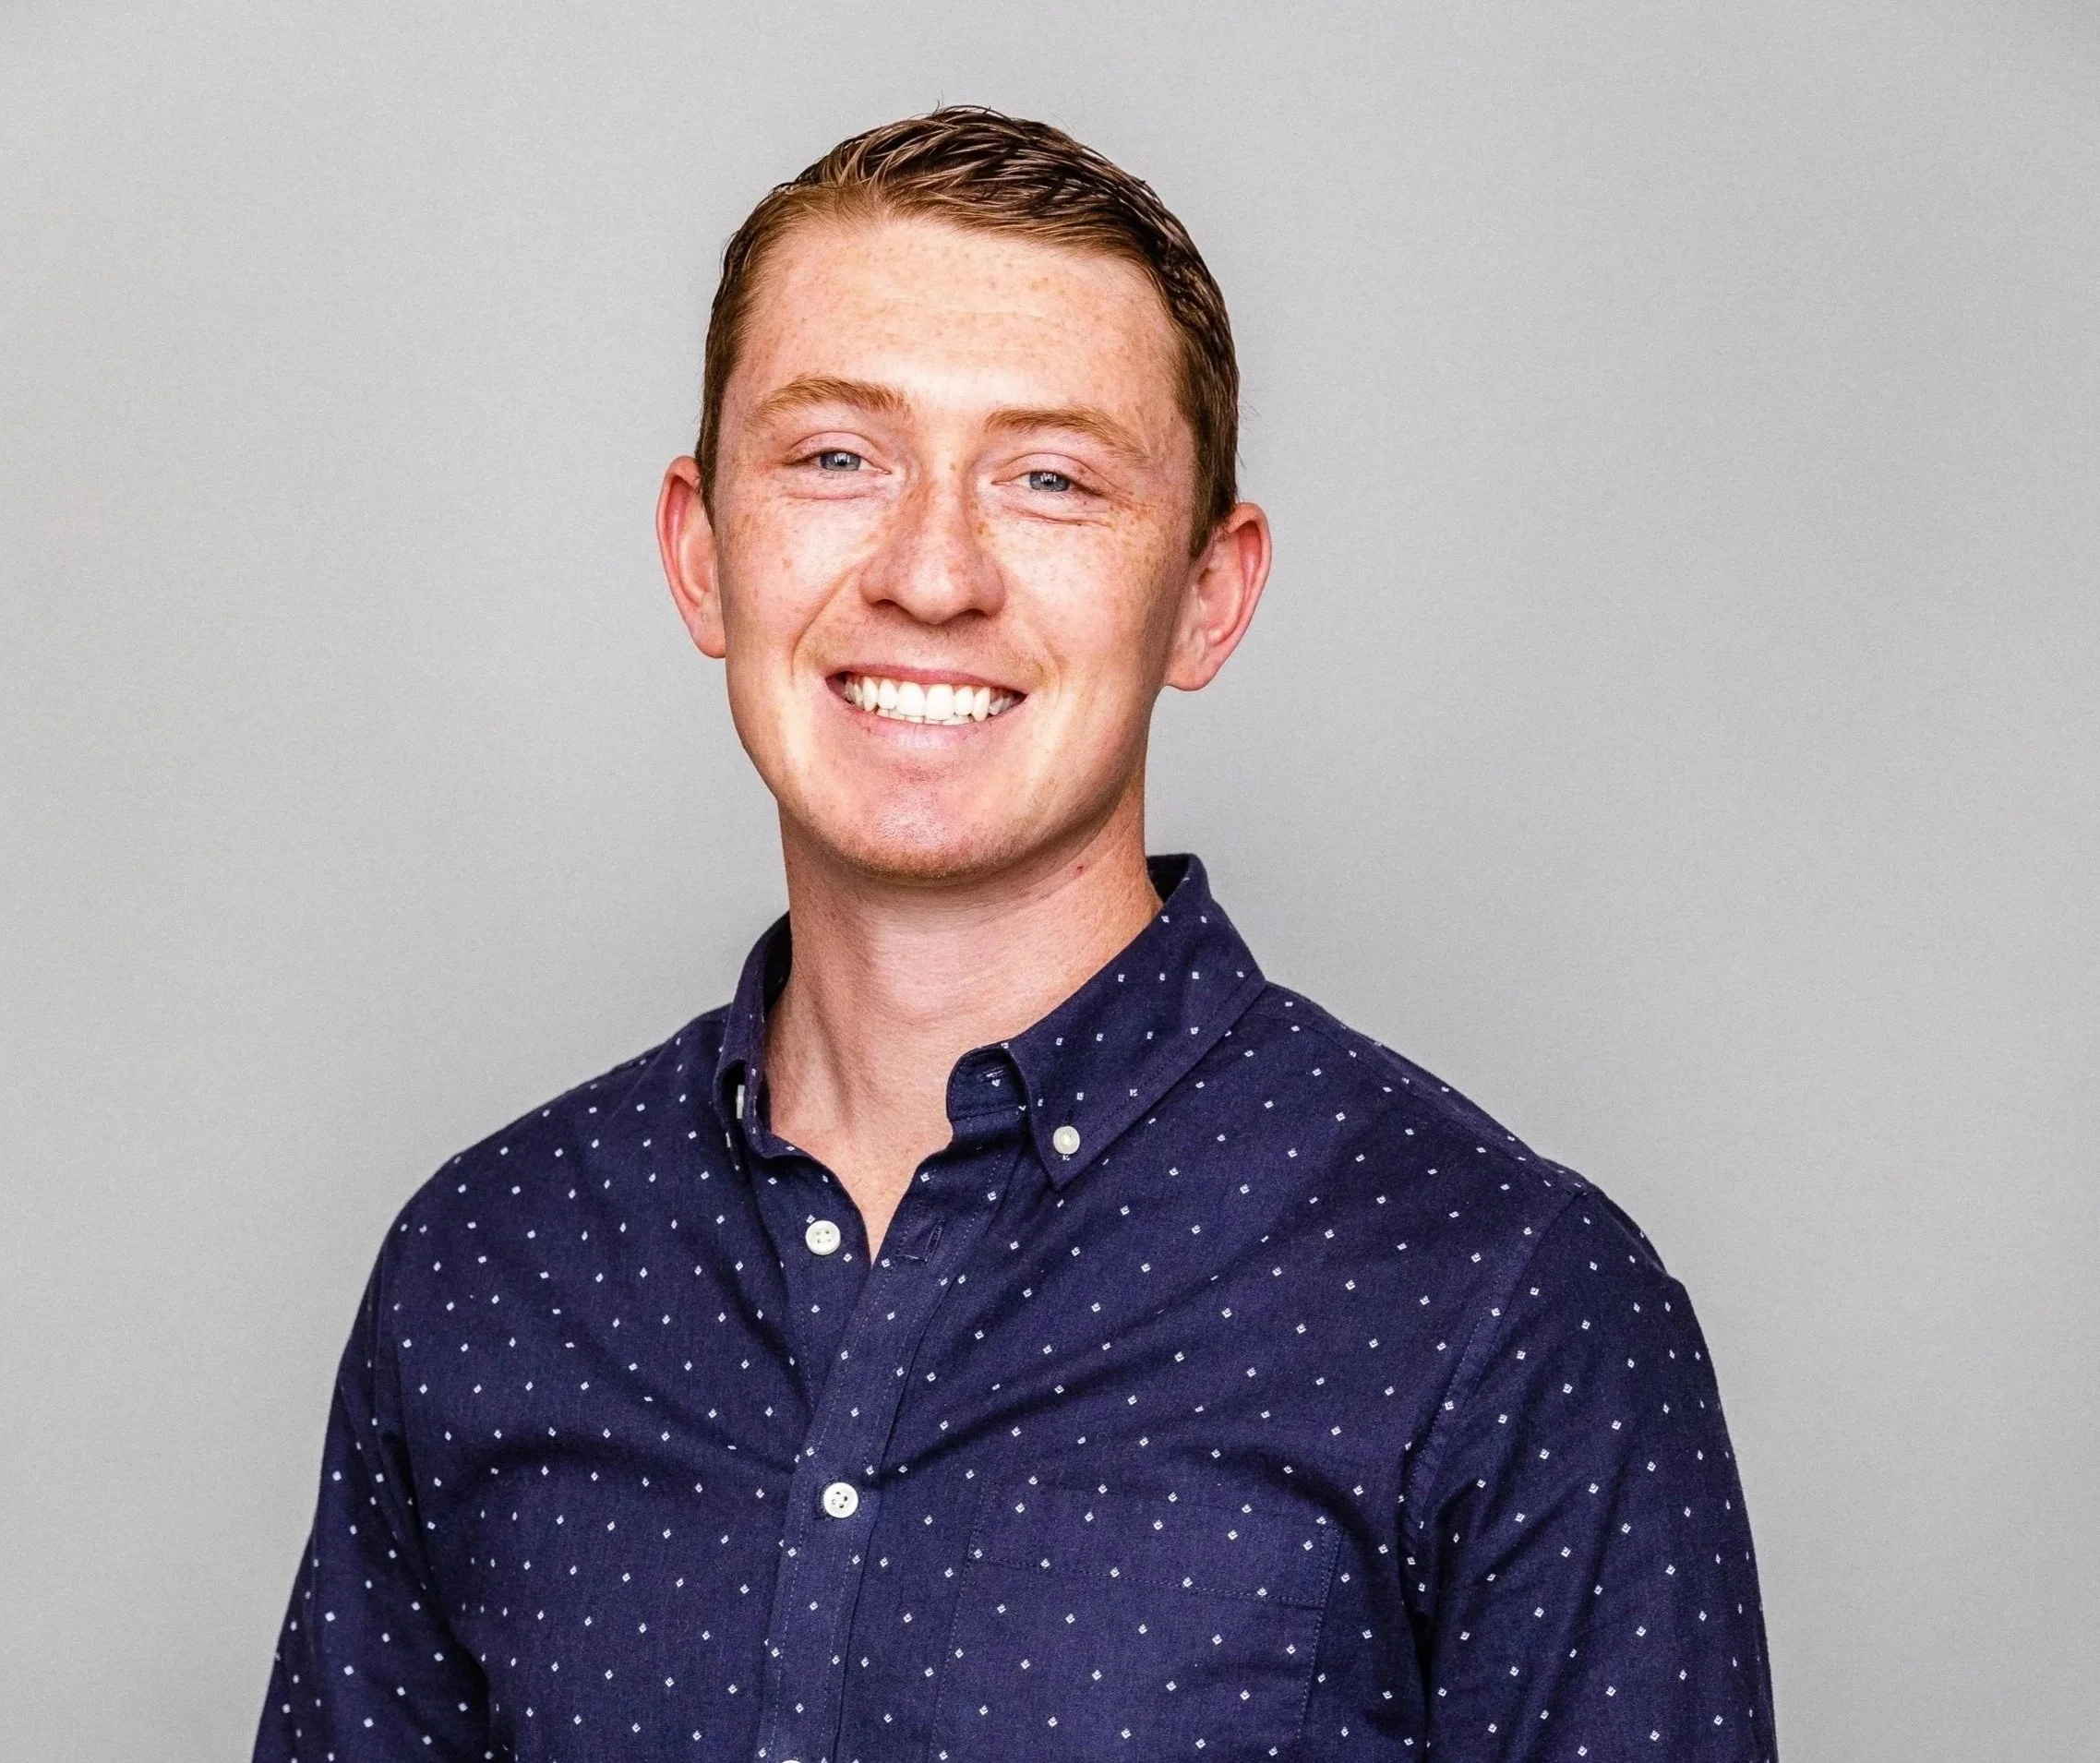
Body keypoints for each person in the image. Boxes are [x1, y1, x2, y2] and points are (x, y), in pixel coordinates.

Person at [255, 107, 1775, 1763]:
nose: (930, 570)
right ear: (703, 552)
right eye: (838, 456)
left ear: (1209, 592)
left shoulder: (1511, 1310)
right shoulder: (489, 1270)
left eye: (1051, 478)